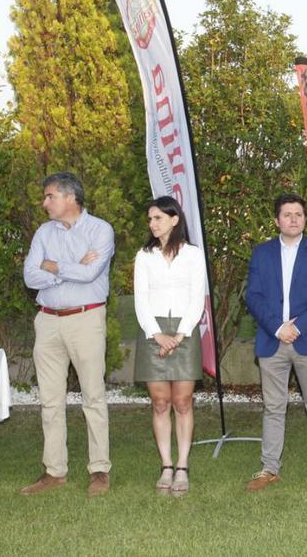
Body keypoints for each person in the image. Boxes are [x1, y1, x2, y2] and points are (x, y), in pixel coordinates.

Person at [20, 172, 115, 497]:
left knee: (93, 396)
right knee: (50, 400)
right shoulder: (44, 232)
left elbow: (91, 274)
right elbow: (31, 277)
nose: (44, 203)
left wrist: (54, 266)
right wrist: (68, 268)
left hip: (85, 320)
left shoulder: (100, 230)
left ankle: (99, 470)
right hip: (47, 321)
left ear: (69, 197)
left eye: (49, 196)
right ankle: (54, 472)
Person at [244, 193, 307, 492]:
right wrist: (276, 327)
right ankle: (269, 468)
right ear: (277, 220)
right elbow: (253, 296)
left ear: (305, 219)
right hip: (272, 341)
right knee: (273, 406)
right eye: (287, 214)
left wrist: (296, 327)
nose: (293, 219)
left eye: (298, 214)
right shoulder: (261, 253)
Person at [132, 196, 206, 496]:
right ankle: (165, 464)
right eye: (150, 219)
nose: (152, 224)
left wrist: (180, 335)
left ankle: (182, 465)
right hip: (153, 334)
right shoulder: (144, 256)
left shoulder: (193, 255)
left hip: (185, 333)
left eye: (158, 218)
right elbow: (141, 299)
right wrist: (156, 334)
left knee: (182, 402)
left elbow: (196, 297)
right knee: (160, 402)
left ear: (174, 219)